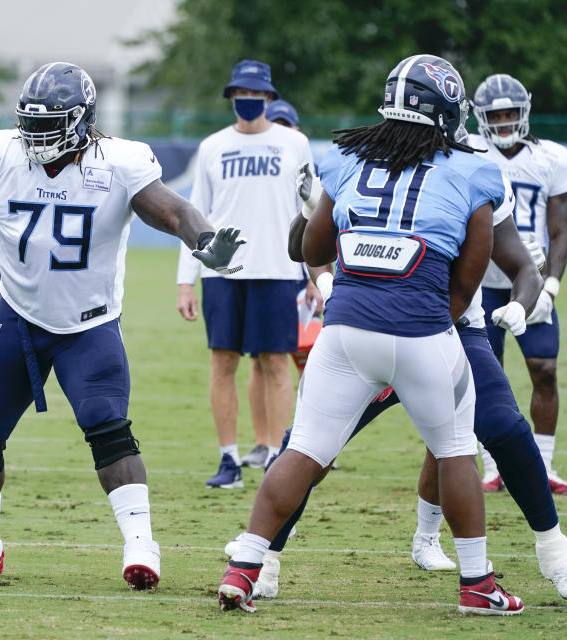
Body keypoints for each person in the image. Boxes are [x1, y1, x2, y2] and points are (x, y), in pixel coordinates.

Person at [0, 61, 244, 589]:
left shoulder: (120, 159)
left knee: (107, 426)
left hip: (88, 322)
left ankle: (142, 546)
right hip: (17, 313)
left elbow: (170, 210)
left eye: (48, 124)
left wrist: (204, 241)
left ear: (80, 120)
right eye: (29, 122)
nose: (35, 135)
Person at [218, 54, 524, 616]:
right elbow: (471, 273)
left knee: (305, 448)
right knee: (455, 449)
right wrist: (430, 317)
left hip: (345, 332)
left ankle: (246, 565)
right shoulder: (473, 170)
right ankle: (478, 585)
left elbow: (310, 249)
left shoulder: (349, 159)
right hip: (423, 332)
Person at [228, 166, 567, 602]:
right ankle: (267, 558)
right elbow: (304, 247)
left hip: (439, 327)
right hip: (380, 328)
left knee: (502, 426)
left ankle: (552, 551)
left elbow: (517, 264)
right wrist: (310, 213)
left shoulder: (472, 172)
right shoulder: (359, 163)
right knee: (312, 447)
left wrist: (522, 302)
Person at [175, 60, 320, 488]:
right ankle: (228, 460)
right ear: (231, 97)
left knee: (276, 363)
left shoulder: (294, 144)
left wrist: (315, 274)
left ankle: (276, 456)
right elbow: (193, 215)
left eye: (256, 94)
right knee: (223, 364)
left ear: (270, 98)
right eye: (240, 94)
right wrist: (187, 280)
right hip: (222, 270)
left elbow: (311, 213)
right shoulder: (213, 146)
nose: (248, 101)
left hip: (279, 270)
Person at [469, 74, 567, 494]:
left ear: (524, 112)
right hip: (480, 282)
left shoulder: (550, 158)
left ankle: (542, 465)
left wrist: (550, 286)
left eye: (511, 113)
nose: (504, 121)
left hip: (531, 281)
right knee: (483, 376)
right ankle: (493, 466)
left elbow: (560, 229)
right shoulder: (470, 154)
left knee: (544, 369)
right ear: (481, 118)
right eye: (496, 115)